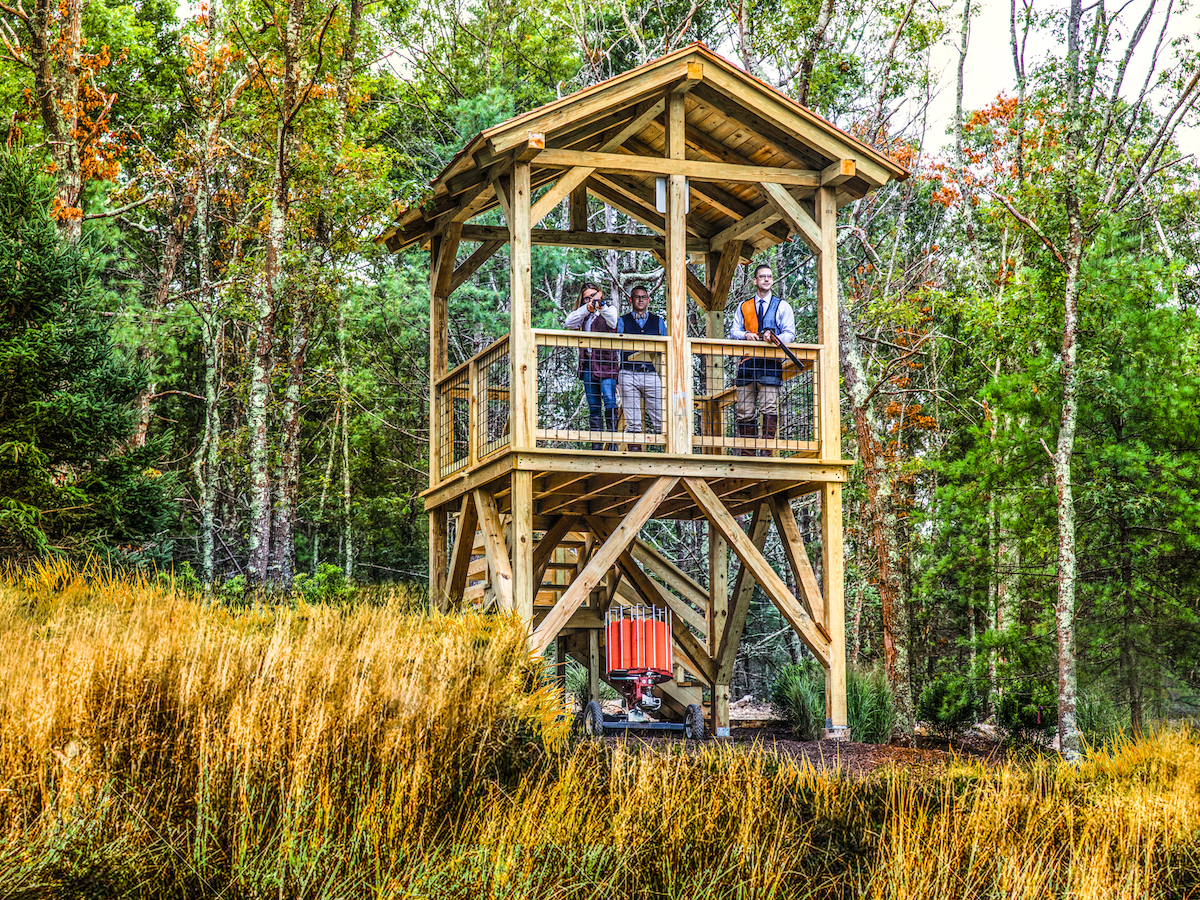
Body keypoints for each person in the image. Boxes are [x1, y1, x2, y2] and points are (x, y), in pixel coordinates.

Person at [729, 263, 795, 456]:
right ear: (755, 281)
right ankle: (748, 454)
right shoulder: (744, 306)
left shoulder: (782, 306)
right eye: (763, 276)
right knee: (744, 410)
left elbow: (790, 334)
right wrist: (745, 335)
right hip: (747, 364)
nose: (767, 279)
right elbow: (734, 332)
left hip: (770, 365)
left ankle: (767, 452)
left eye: (770, 277)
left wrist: (773, 338)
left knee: (769, 407)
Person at [564, 282, 618, 450]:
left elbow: (613, 320)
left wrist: (600, 306)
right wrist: (586, 308)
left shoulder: (610, 309)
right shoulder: (584, 315)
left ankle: (613, 443)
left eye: (593, 295)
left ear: (600, 293)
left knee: (610, 401)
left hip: (607, 364)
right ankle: (597, 445)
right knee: (594, 405)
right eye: (587, 297)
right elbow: (568, 322)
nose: (591, 299)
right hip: (588, 364)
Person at [616, 283, 666, 451]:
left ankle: (666, 453)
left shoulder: (658, 321)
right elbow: (617, 348)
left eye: (643, 297)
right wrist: (616, 376)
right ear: (631, 300)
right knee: (633, 421)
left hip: (651, 373)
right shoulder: (622, 321)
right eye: (637, 297)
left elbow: (665, 349)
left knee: (661, 417)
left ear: (648, 300)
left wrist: (664, 375)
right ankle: (635, 454)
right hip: (628, 373)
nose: (640, 300)